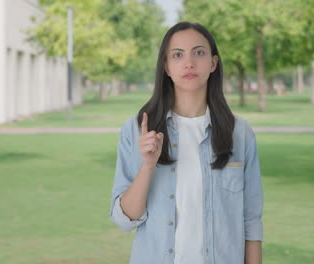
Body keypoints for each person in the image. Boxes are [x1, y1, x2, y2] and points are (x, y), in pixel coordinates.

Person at [110, 21, 263, 264]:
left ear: (213, 63)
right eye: (178, 55)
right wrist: (147, 166)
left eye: (199, 53)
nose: (189, 63)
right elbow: (124, 218)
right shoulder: (138, 129)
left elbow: (251, 222)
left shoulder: (240, 133)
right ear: (167, 67)